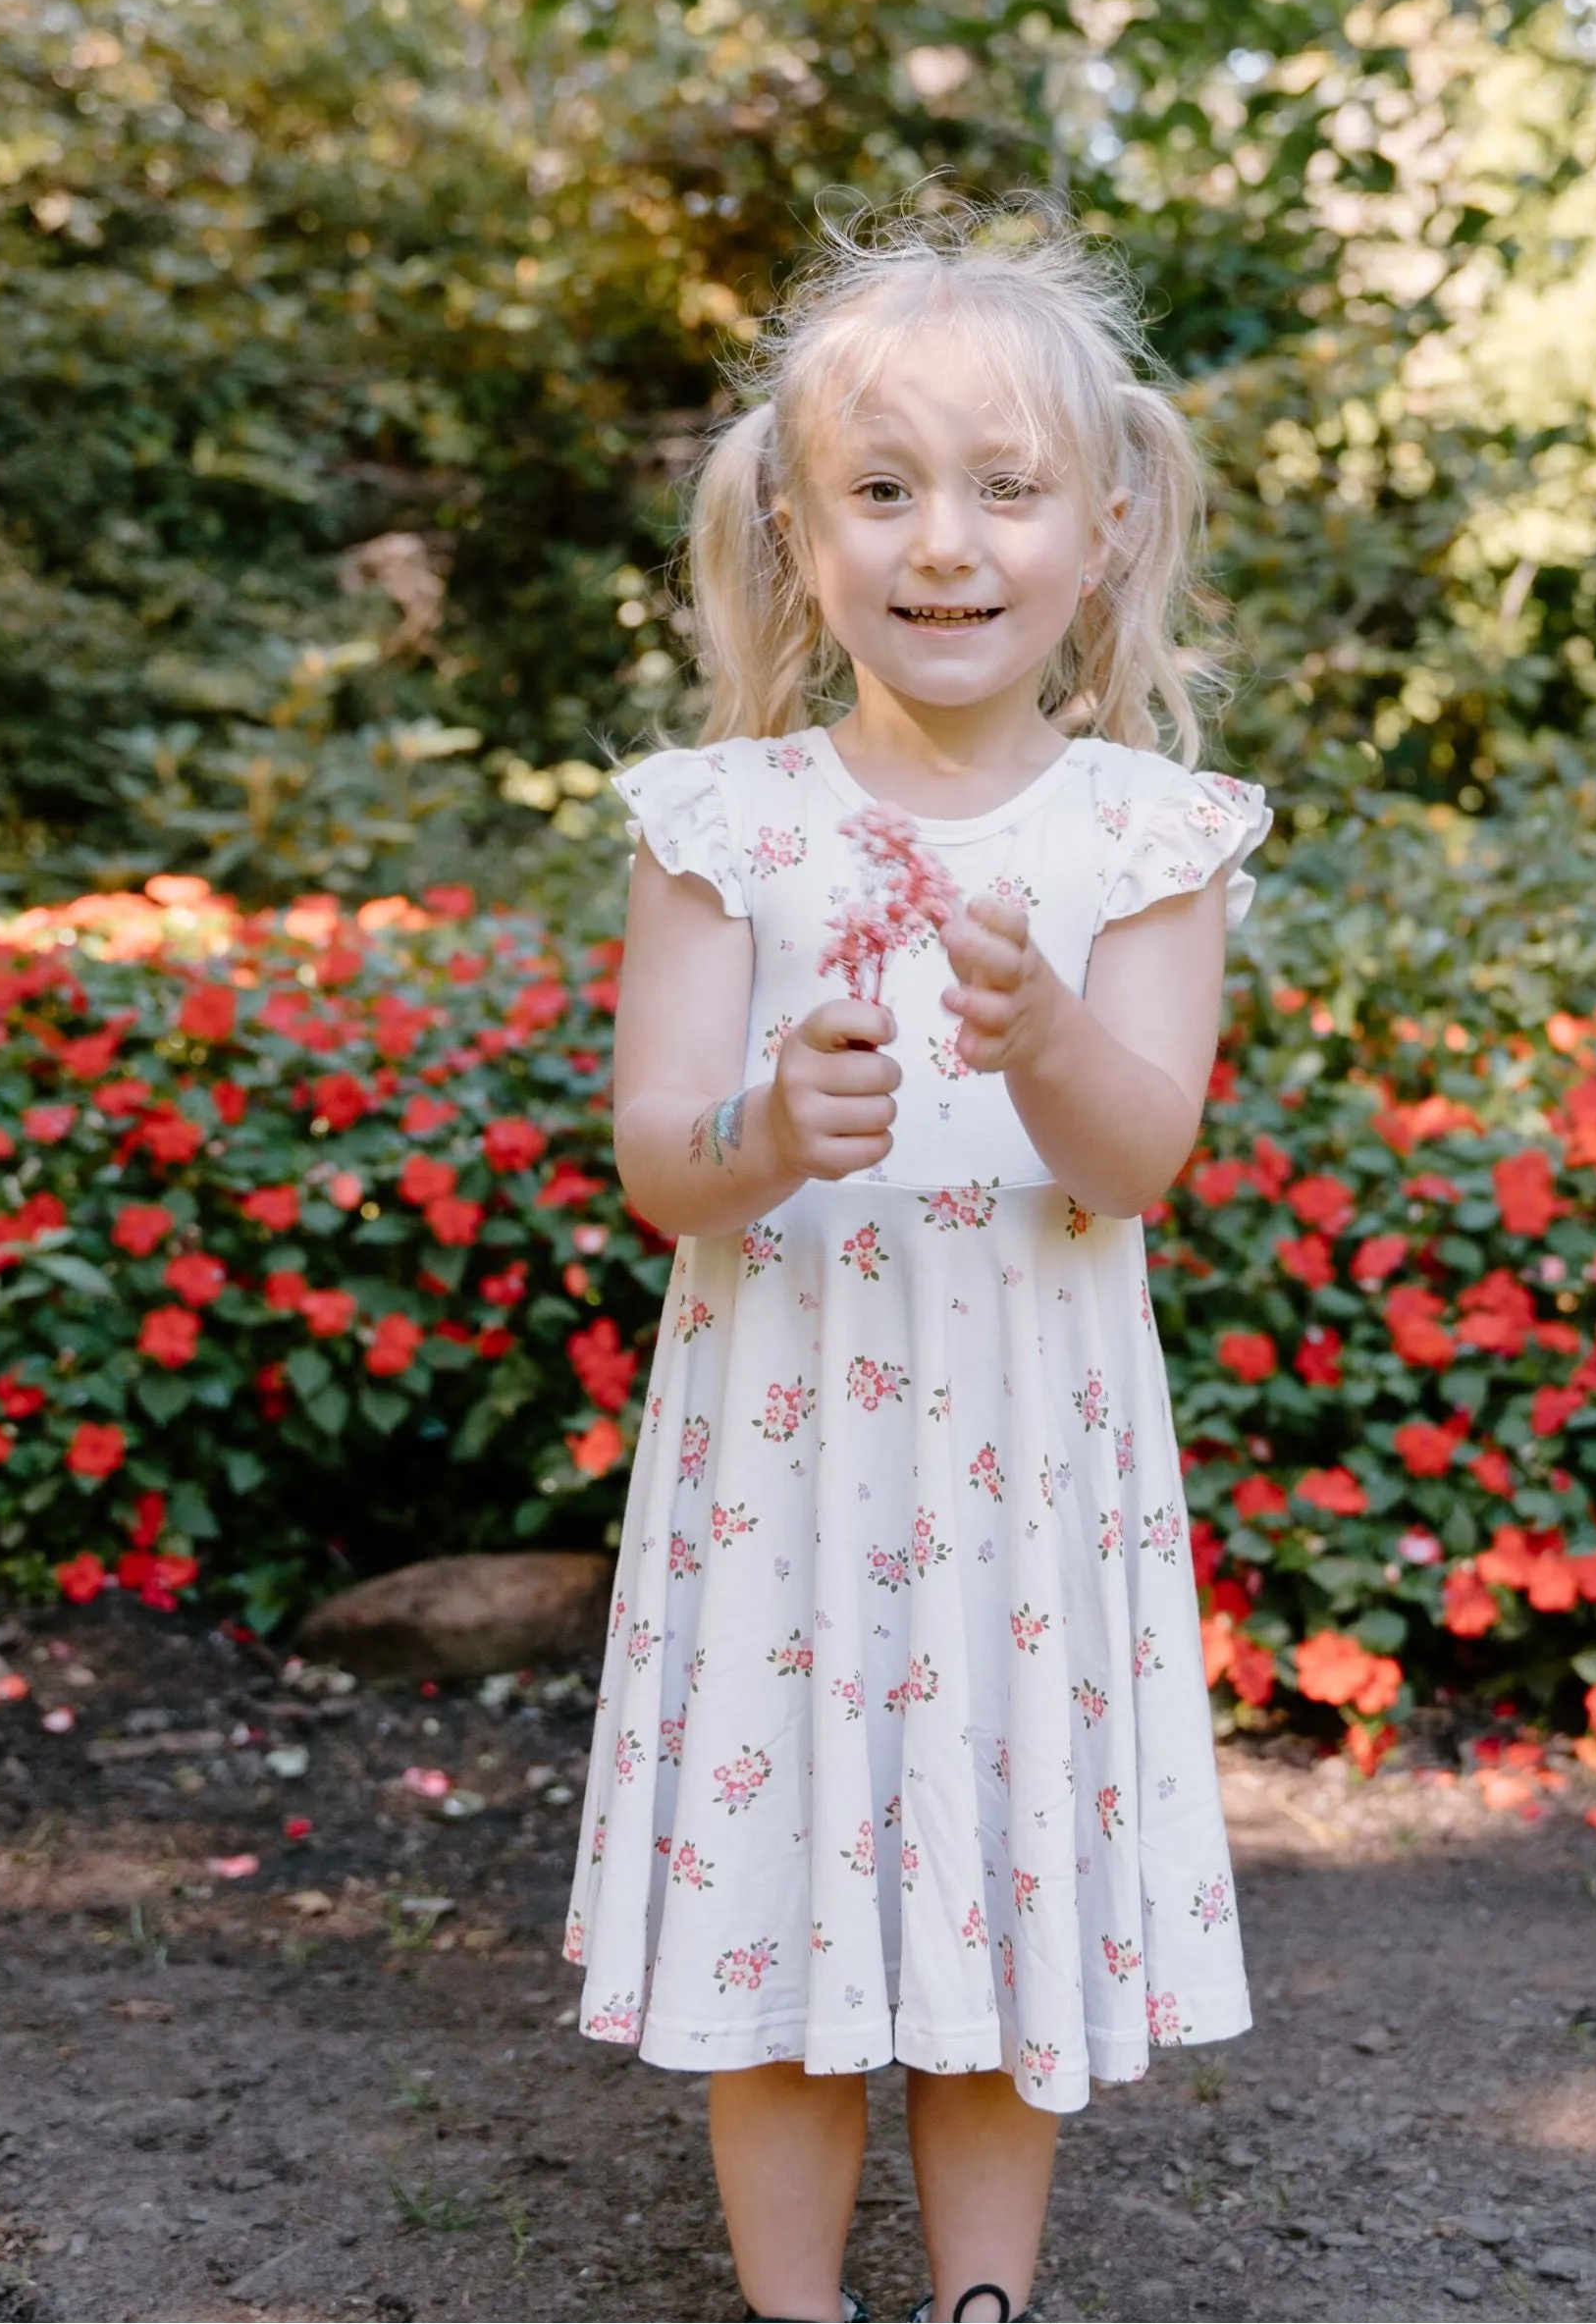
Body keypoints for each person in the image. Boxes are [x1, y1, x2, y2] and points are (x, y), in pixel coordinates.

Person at [562, 197, 1270, 2324]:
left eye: (1000, 487)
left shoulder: (1145, 834)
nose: (941, 540)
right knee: (772, 1896)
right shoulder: (724, 823)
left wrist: (1044, 1030)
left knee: (1001, 1876)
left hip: (1020, 1475)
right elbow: (653, 1161)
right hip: (787, 1461)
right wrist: (768, 1132)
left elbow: (1139, 1156)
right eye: (882, 490)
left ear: (1106, 524)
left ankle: (983, 2302)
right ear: (799, 528)